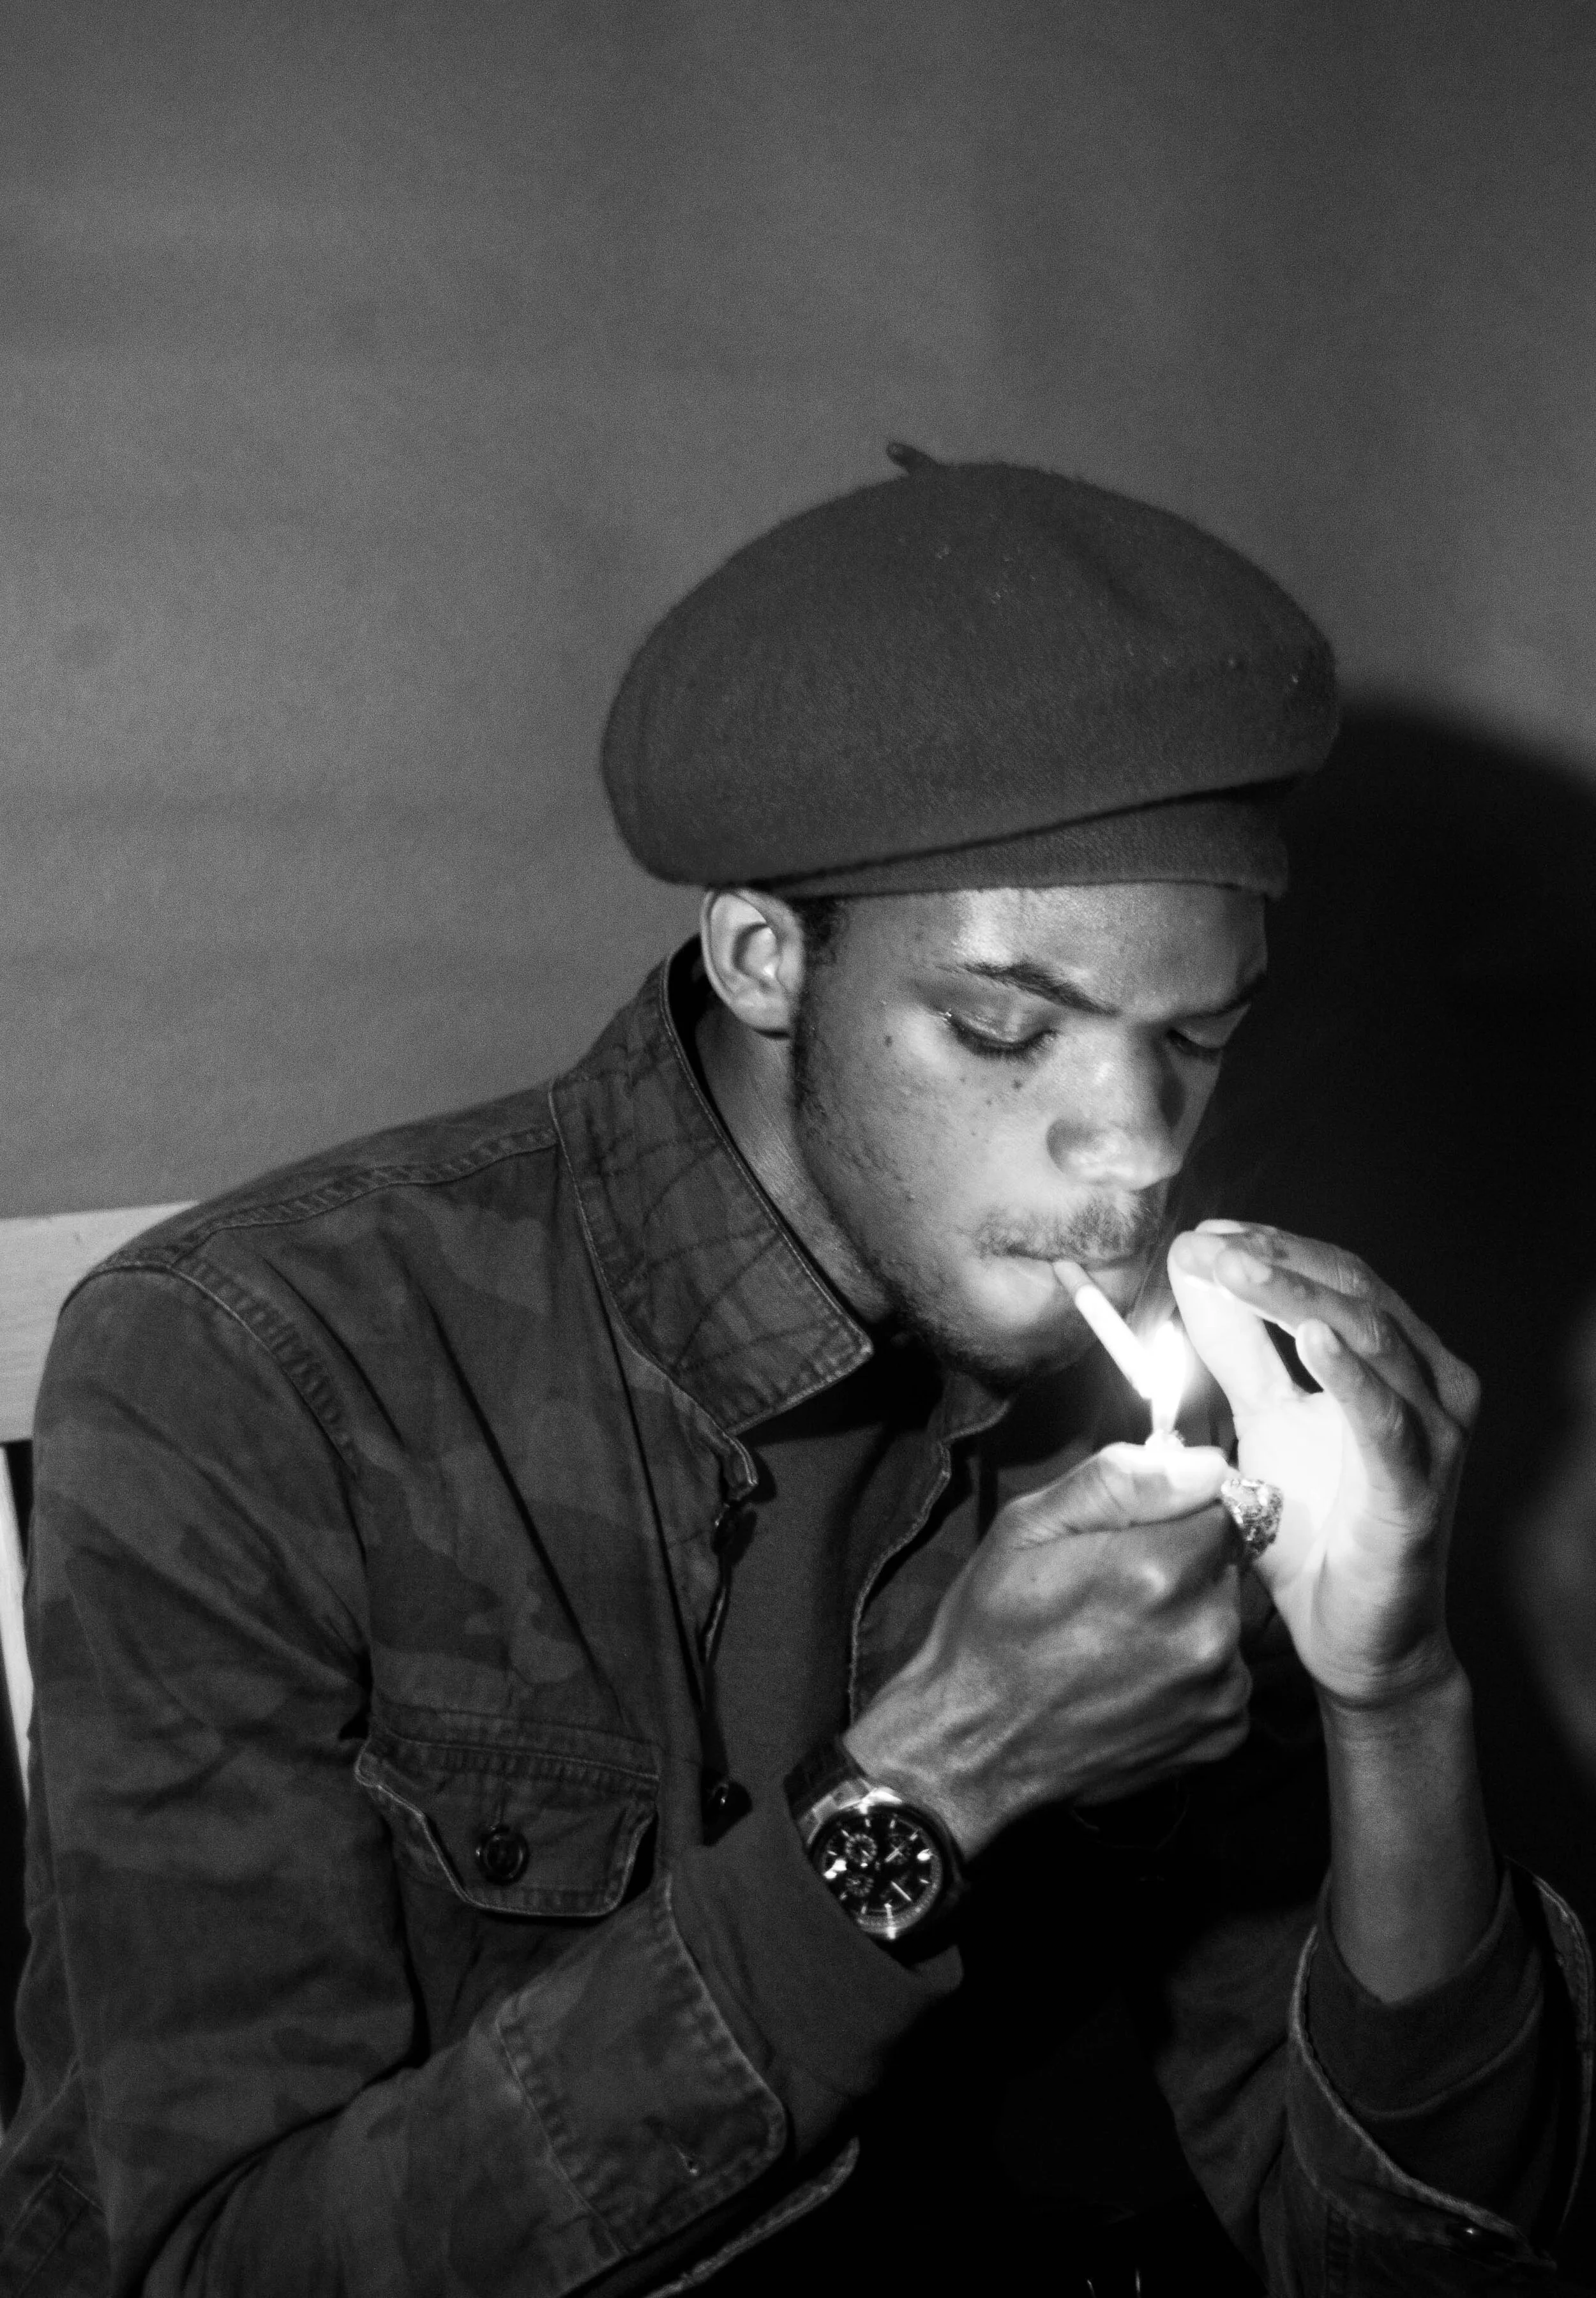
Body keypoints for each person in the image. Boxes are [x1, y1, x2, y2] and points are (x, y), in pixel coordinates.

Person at [0, 453, 1587, 2297]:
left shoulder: (1164, 1406)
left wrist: (1394, 1694)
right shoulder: (264, 1371)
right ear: (764, 955)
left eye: (1197, 1037)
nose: (1132, 1147)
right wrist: (924, 1786)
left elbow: (1397, 2258)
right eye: (1008, 1027)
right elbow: (201, 2273)